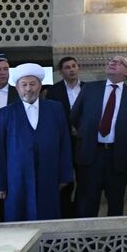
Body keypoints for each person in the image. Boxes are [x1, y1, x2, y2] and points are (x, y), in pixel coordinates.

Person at [0, 63, 73, 222]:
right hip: (17, 178)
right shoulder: (7, 113)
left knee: (48, 217)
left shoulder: (55, 109)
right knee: (18, 218)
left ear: (40, 85)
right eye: (24, 85)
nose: (28, 89)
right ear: (17, 88)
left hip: (49, 175)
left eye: (32, 84)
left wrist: (65, 175)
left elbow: (65, 143)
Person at [72, 56, 127, 216]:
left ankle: (115, 240)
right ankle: (86, 240)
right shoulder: (90, 89)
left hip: (116, 156)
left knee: (116, 202)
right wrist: (85, 133)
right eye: (110, 61)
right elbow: (75, 115)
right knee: (87, 201)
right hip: (91, 154)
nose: (112, 63)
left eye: (118, 63)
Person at [45, 55, 84, 217]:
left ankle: (81, 213)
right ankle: (66, 214)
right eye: (67, 67)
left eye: (74, 66)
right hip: (63, 143)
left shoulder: (89, 88)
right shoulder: (53, 91)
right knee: (65, 181)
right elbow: (52, 117)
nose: (71, 69)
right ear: (61, 72)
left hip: (84, 143)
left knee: (84, 180)